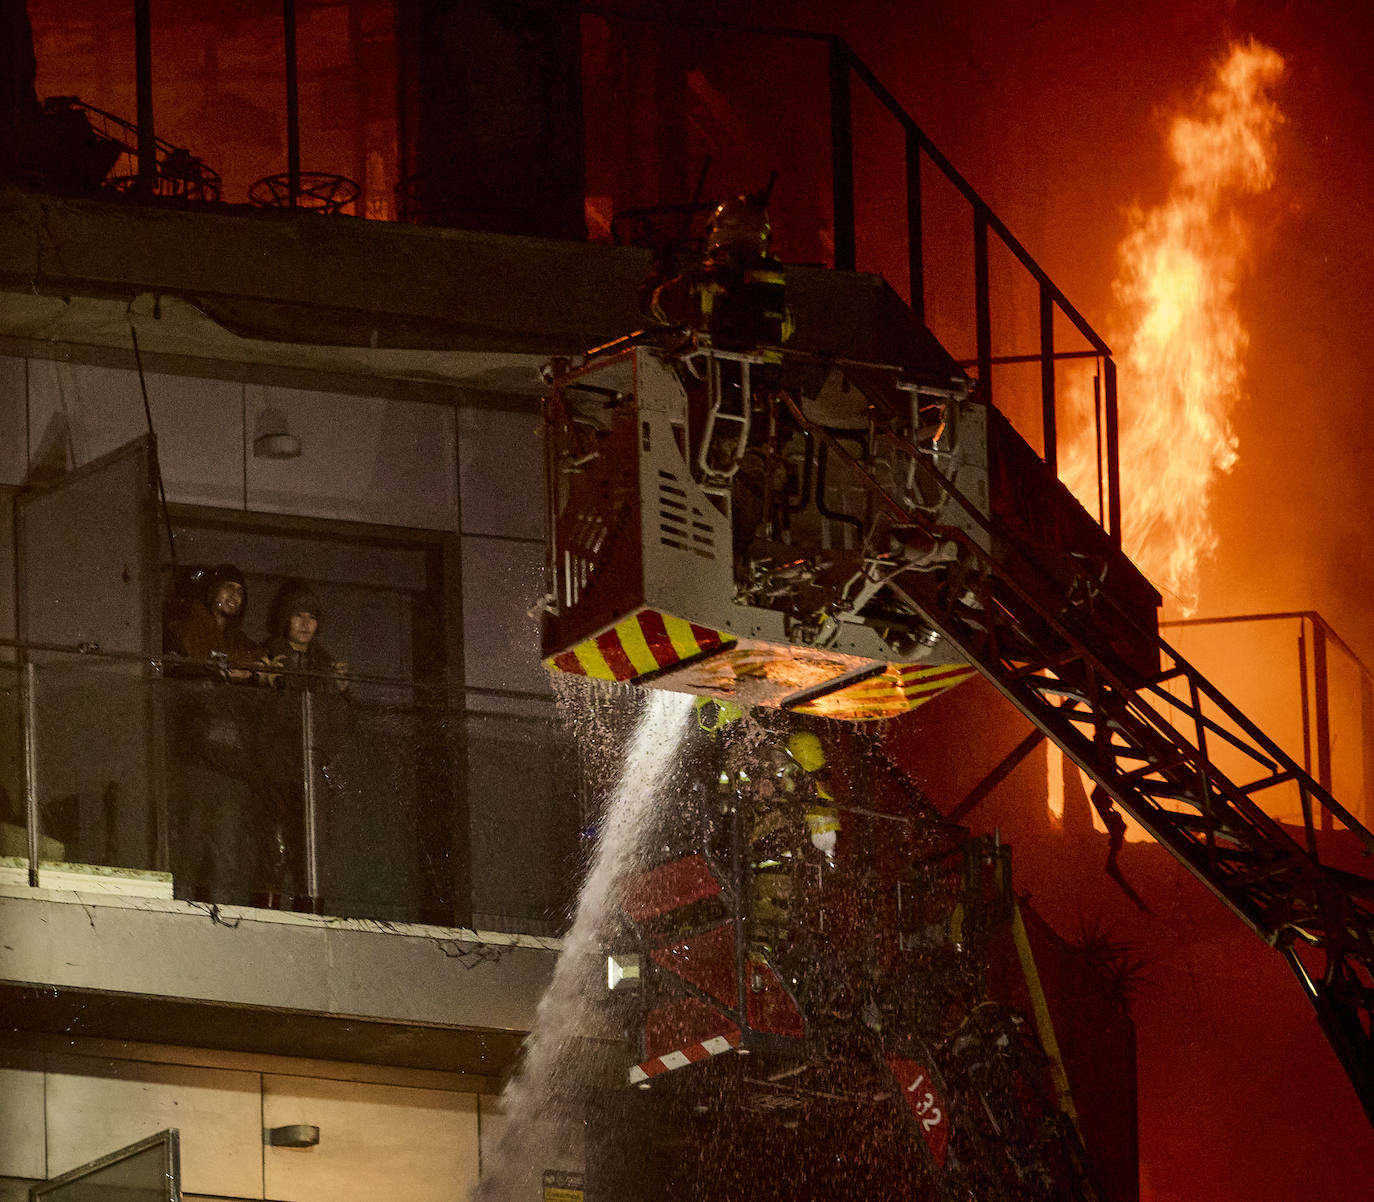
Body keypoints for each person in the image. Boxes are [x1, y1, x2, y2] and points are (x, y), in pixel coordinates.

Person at [163, 564, 263, 904]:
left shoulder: (247, 646)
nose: (234, 596)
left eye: (240, 591)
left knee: (227, 849)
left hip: (233, 763)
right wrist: (214, 671)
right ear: (211, 591)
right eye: (227, 588)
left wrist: (255, 676)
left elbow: (262, 692)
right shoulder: (182, 631)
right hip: (195, 757)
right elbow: (172, 676)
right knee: (190, 842)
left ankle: (223, 918)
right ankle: (183, 909)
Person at [255, 580, 348, 910]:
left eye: (312, 616)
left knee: (312, 854)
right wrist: (266, 684)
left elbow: (340, 723)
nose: (306, 623)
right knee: (274, 849)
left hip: (311, 772)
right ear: (286, 618)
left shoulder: (325, 664)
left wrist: (341, 691)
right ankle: (265, 920)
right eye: (299, 615)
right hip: (275, 771)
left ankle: (312, 920)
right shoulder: (267, 656)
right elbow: (256, 717)